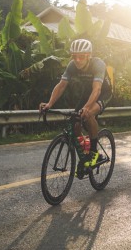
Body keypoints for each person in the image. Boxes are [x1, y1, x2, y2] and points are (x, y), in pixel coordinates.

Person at [40, 38, 112, 170]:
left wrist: (86, 107)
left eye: (81, 56)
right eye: (74, 56)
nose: (77, 60)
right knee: (75, 123)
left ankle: (94, 153)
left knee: (88, 114)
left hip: (103, 92)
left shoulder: (98, 64)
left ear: (88, 55)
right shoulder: (72, 65)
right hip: (87, 94)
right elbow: (61, 86)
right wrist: (49, 104)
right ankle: (85, 151)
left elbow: (97, 89)